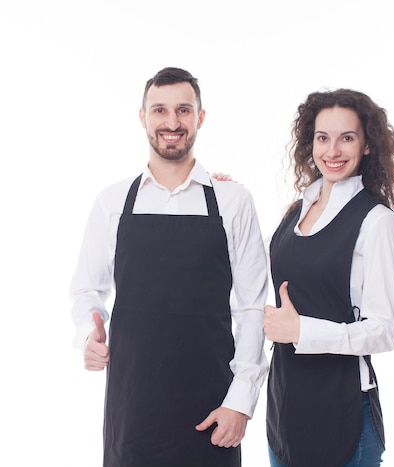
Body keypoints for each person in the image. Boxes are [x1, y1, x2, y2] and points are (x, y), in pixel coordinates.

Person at [69, 67, 269, 467]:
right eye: (160, 110)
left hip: (212, 407)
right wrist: (87, 336)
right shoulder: (111, 202)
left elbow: (253, 308)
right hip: (133, 408)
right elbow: (86, 290)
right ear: (143, 117)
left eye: (183, 110)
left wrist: (241, 401)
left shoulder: (233, 201)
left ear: (200, 117)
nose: (172, 122)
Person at [264, 89, 394, 467]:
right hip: (284, 409)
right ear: (310, 143)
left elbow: (384, 331)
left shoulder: (378, 222)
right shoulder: (298, 210)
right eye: (323, 138)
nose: (333, 150)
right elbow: (248, 267)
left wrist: (302, 331)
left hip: (342, 413)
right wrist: (222, 195)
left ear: (367, 146)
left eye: (347, 138)